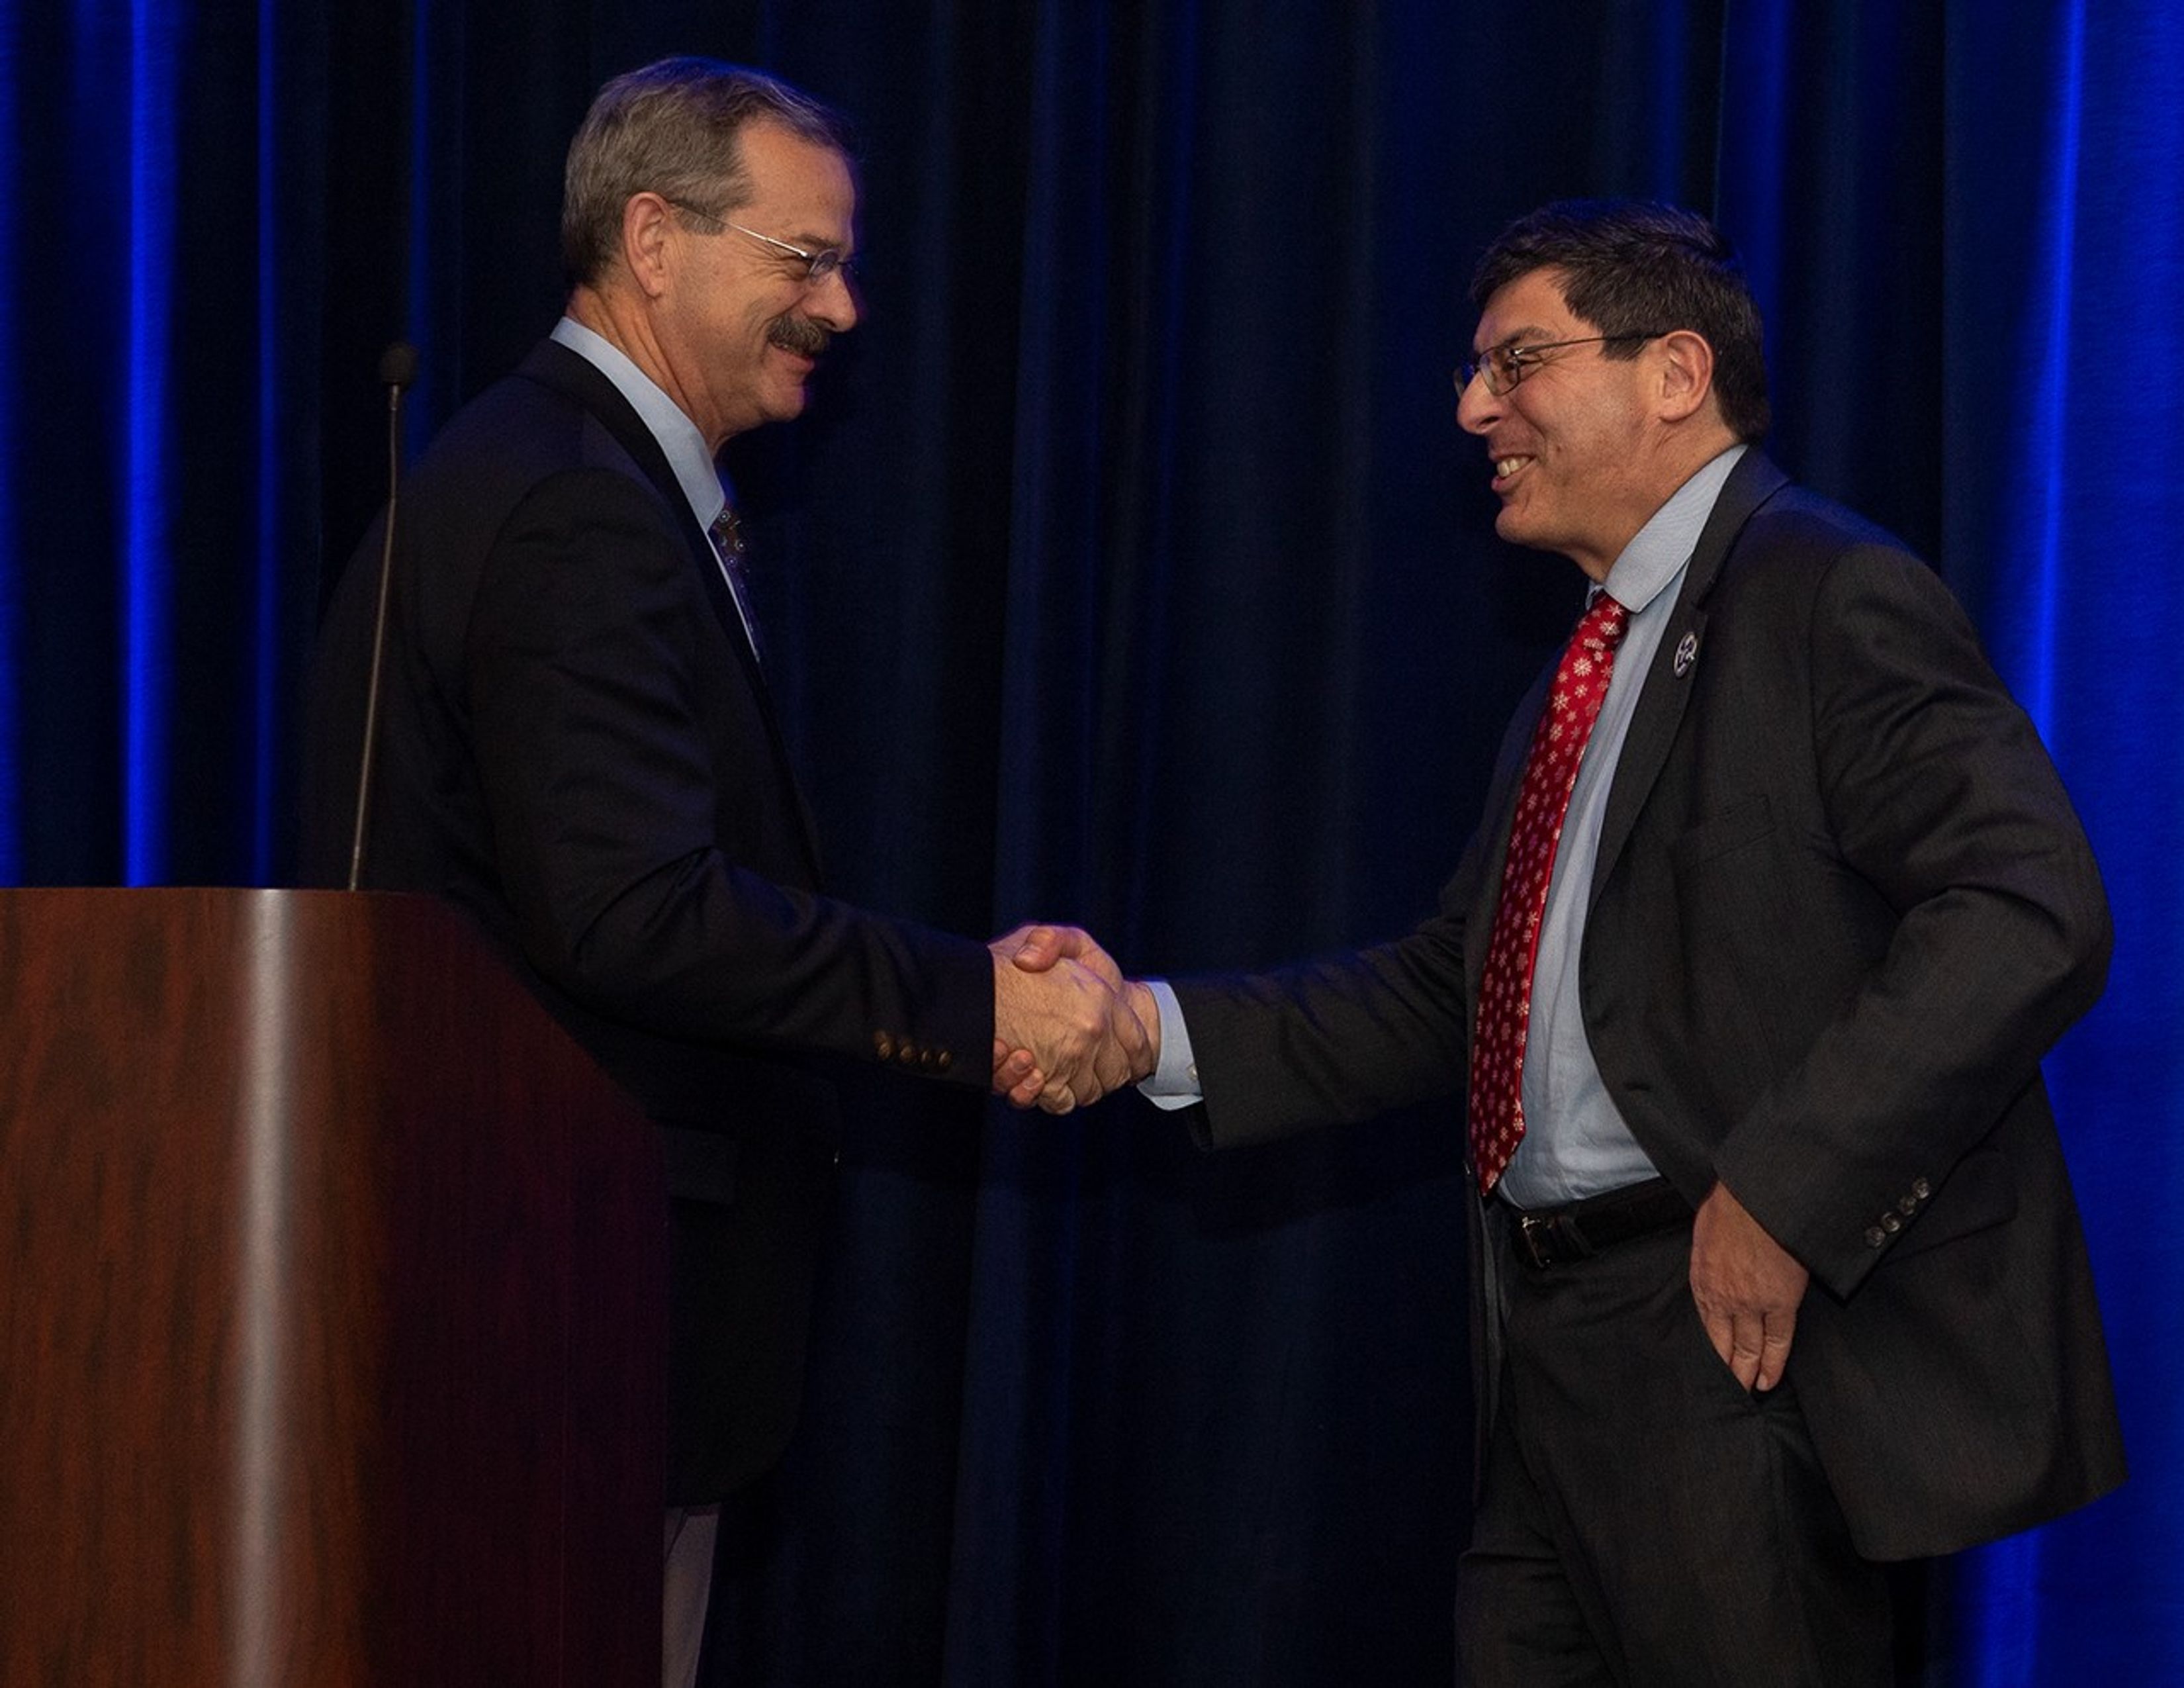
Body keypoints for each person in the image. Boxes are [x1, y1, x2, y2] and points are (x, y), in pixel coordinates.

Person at [1040, 199, 2124, 1683]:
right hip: (1542, 1358)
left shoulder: (1825, 589)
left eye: (1519, 361)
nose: (1474, 407)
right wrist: (1141, 1031)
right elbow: (1452, 992)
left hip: (1729, 1349)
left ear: (1674, 372)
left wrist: (1784, 1192)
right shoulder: (1588, 663)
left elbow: (2025, 908)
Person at [301, 58, 1146, 1688]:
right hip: (562, 1311)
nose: (845, 305)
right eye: (805, 259)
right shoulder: (569, 508)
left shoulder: (548, 475)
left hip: (531, 1302)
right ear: (654, 239)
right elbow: (634, 913)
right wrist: (976, 1002)